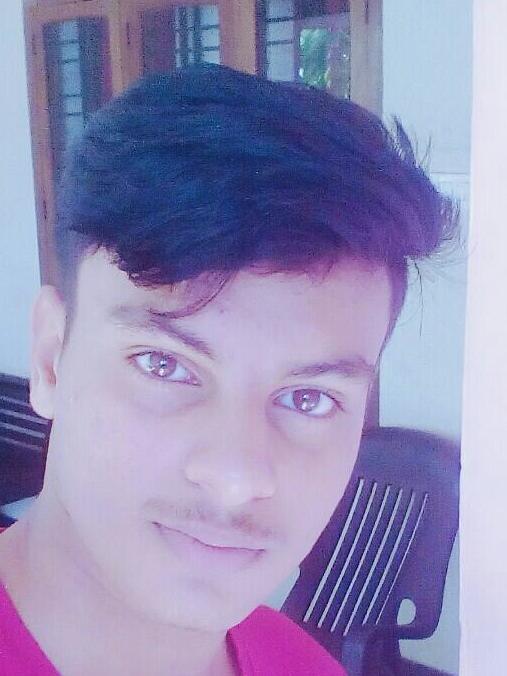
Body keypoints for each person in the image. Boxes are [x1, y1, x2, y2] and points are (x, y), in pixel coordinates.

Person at [0, 64, 455, 675]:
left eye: (310, 399)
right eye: (164, 365)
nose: (236, 478)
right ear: (51, 359)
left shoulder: (304, 667)